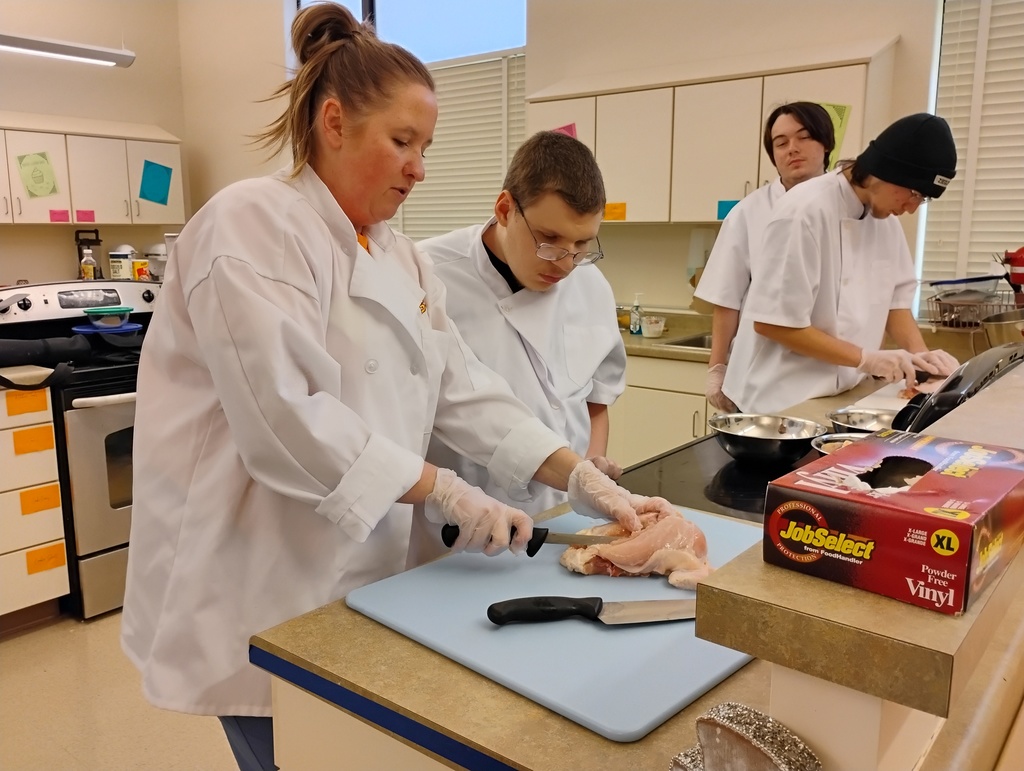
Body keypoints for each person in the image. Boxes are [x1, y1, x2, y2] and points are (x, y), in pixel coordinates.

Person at [119, 6, 652, 770]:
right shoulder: (251, 225)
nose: (419, 167)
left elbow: (461, 390)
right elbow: (287, 422)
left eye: (425, 146)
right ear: (333, 123)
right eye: (403, 142)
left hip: (361, 574)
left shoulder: (399, 257)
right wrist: (446, 490)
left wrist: (578, 472)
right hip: (254, 575)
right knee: (291, 747)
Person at [417, 130, 626, 518]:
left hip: (567, 514)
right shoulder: (425, 276)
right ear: (504, 209)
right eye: (549, 238)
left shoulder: (590, 285)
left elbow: (596, 400)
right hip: (463, 527)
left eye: (582, 244)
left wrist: (591, 471)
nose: (565, 263)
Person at [729, 112, 962, 414]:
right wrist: (867, 358)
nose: (912, 208)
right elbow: (774, 323)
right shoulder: (804, 212)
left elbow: (895, 303)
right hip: (782, 402)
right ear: (883, 172)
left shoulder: (884, 218)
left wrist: (923, 360)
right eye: (914, 193)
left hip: (845, 394)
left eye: (924, 199)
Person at [695, 102, 836, 413]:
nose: (792, 149)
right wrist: (717, 368)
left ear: (826, 143)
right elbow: (726, 298)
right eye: (780, 143)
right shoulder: (748, 213)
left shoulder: (850, 211)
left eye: (803, 137)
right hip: (760, 379)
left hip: (830, 377)